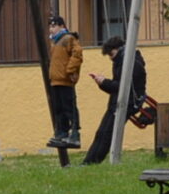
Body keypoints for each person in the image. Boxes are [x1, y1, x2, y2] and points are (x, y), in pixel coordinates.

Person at [84, 36, 149, 164]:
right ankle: (88, 162)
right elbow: (118, 86)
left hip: (128, 103)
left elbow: (123, 88)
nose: (110, 58)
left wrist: (104, 82)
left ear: (119, 49)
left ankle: (93, 161)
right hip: (117, 103)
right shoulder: (121, 61)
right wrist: (102, 83)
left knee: (108, 134)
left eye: (111, 54)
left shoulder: (132, 63)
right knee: (101, 133)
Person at [43, 15, 85, 150]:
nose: (51, 29)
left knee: (69, 107)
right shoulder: (55, 42)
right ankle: (62, 132)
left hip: (65, 80)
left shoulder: (68, 39)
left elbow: (77, 53)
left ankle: (74, 133)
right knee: (59, 109)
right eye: (50, 26)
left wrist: (70, 70)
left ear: (61, 26)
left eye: (54, 26)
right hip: (55, 80)